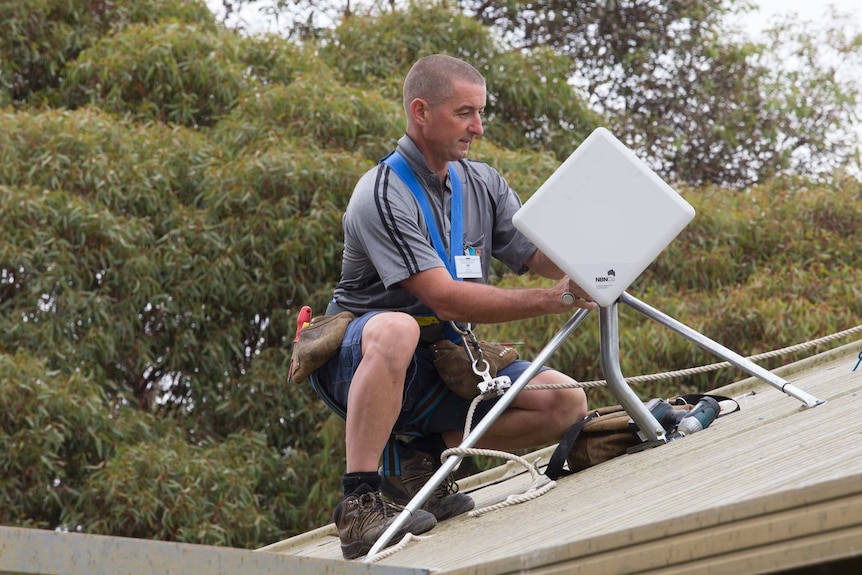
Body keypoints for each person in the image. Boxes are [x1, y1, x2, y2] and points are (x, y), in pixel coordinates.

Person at [312, 53, 595, 560]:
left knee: (566, 403)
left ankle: (420, 460)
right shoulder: (382, 193)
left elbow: (535, 254)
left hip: (443, 359)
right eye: (465, 113)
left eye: (480, 112)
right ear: (421, 111)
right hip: (363, 359)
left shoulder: (482, 182)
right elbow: (442, 296)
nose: (478, 127)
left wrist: (598, 261)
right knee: (397, 329)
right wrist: (553, 300)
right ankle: (359, 501)